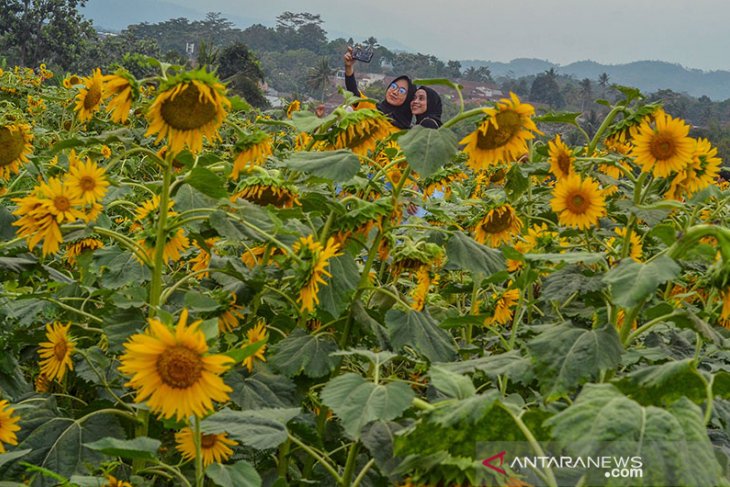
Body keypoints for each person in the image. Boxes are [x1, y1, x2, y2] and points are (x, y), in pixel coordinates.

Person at [343, 46, 415, 129]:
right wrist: (348, 67)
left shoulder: (404, 134)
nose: (395, 92)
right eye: (393, 86)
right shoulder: (372, 109)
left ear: (409, 98)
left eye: (402, 91)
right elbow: (354, 94)